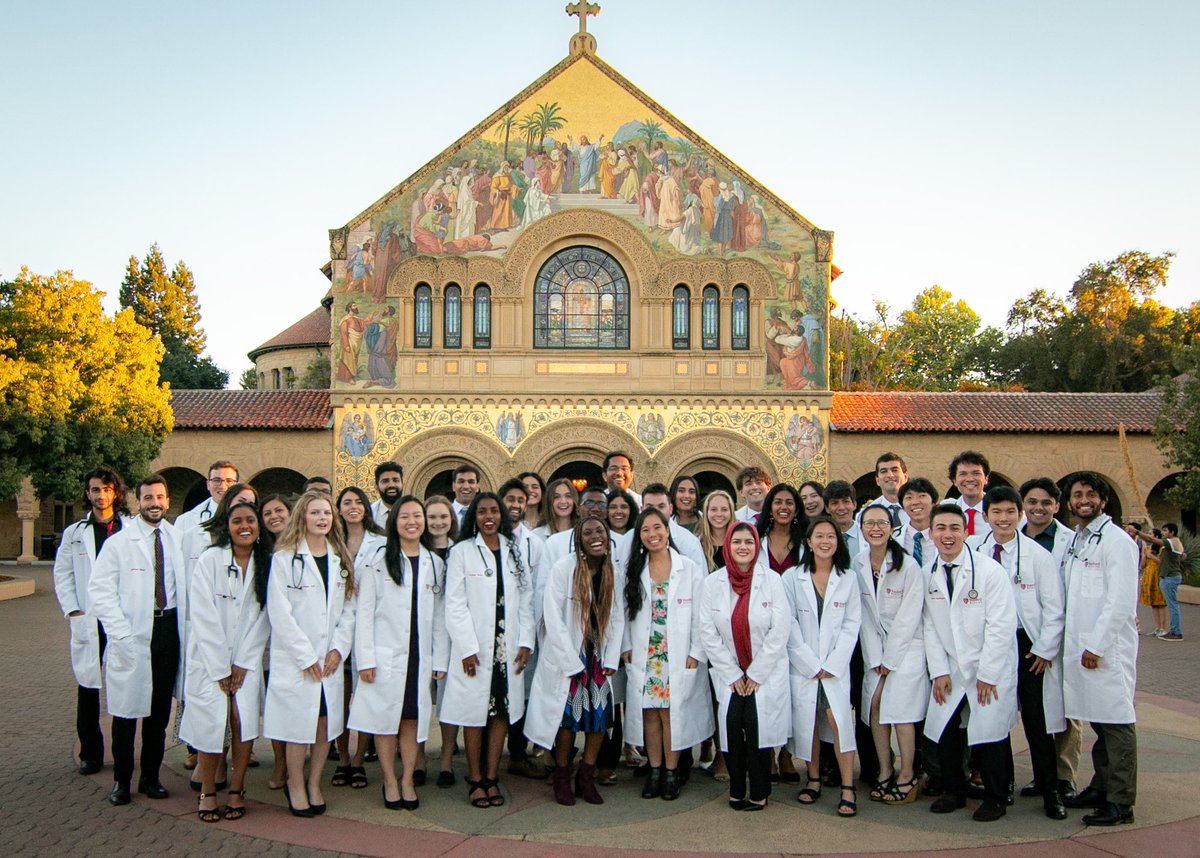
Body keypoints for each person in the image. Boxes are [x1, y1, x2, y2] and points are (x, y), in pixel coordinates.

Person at [88, 474, 187, 806]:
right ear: (138, 501)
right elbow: (100, 592)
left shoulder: (178, 540)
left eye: (160, 497)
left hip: (167, 632)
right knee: (126, 714)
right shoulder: (119, 543)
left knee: (159, 712)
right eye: (148, 498)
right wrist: (122, 633)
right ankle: (121, 781)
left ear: (167, 501)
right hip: (131, 635)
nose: (154, 503)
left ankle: (151, 777)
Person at [969, 486, 1067, 820]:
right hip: (990, 645)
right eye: (996, 512)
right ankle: (1002, 785)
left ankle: (1050, 790)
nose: (1003, 518)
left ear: (1020, 514)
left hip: (1028, 648)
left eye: (1010, 511)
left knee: (1038, 721)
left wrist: (1044, 648)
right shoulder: (974, 550)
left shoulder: (1038, 556)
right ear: (985, 517)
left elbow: (1054, 609)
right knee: (993, 716)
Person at [263, 491, 357, 817]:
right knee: (296, 728)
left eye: (327, 513)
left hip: (328, 662)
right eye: (315, 512)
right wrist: (306, 656)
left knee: (323, 726)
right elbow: (280, 613)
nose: (322, 518)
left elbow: (349, 611)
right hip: (297, 662)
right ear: (302, 516)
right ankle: (295, 783)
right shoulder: (285, 558)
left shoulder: (339, 559)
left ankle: (315, 782)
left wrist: (337, 649)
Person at [347, 496, 445, 810]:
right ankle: (389, 780)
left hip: (419, 655)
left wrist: (440, 659)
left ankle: (406, 780)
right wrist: (366, 658)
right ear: (394, 522)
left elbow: (440, 618)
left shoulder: (434, 562)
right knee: (384, 719)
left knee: (411, 720)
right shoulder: (377, 559)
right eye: (405, 516)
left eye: (418, 516)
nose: (412, 522)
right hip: (384, 653)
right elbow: (363, 612)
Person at [921, 503, 1016, 822]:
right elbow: (931, 626)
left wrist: (988, 674)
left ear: (966, 532)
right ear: (931, 533)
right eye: (941, 529)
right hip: (951, 665)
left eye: (954, 528)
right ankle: (954, 790)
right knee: (947, 729)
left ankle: (995, 796)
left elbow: (1001, 626)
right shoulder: (929, 573)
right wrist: (940, 672)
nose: (947, 535)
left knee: (990, 733)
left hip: (989, 666)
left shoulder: (989, 571)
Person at [178, 500, 272, 822]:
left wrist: (243, 663)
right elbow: (202, 616)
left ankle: (236, 788)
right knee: (210, 723)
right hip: (209, 660)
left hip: (246, 661)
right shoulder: (209, 561)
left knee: (242, 721)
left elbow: (264, 618)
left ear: (259, 526)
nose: (244, 526)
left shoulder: (267, 563)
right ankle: (207, 790)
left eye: (250, 520)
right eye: (237, 521)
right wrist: (220, 666)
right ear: (227, 526)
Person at [439, 493, 535, 809]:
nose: (489, 516)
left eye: (494, 510)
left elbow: (526, 600)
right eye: (482, 512)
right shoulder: (461, 552)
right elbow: (454, 604)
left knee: (501, 712)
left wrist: (525, 642)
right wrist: (466, 648)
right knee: (473, 714)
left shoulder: (513, 550)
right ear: (474, 518)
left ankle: (492, 776)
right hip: (477, 649)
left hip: (507, 647)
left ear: (502, 515)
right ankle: (476, 778)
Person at [526, 518, 626, 805]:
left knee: (599, 720)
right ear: (579, 540)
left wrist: (610, 656)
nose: (595, 537)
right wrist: (570, 661)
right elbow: (553, 617)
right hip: (569, 655)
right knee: (567, 720)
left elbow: (617, 617)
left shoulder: (613, 571)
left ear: (608, 538)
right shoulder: (564, 569)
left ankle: (586, 775)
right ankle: (562, 775)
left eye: (600, 532)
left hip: (598, 657)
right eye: (588, 532)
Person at [1059, 472, 1139, 826]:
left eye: (1091, 494)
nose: (1084, 500)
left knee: (1117, 722)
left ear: (1103, 501)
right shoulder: (1079, 539)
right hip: (1083, 647)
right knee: (1101, 722)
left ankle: (1121, 802)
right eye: (1077, 495)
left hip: (1106, 650)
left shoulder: (1116, 541)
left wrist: (1096, 645)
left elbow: (1120, 601)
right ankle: (1101, 785)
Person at [700, 522, 791, 811]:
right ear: (727, 546)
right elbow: (707, 631)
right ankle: (737, 789)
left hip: (762, 672)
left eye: (749, 542)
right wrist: (731, 672)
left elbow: (780, 630)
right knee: (731, 728)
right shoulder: (713, 583)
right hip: (731, 673)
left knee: (758, 730)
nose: (743, 547)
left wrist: (755, 673)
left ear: (756, 547)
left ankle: (760, 791)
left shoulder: (772, 581)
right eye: (737, 541)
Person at [623, 509, 713, 801]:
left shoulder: (688, 568)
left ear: (667, 530)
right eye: (646, 530)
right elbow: (623, 615)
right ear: (639, 536)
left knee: (673, 716)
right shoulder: (635, 570)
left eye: (657, 528)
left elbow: (702, 615)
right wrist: (626, 647)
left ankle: (672, 774)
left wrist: (696, 652)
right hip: (646, 654)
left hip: (678, 654)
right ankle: (655, 770)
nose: (653, 534)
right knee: (650, 714)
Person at [783, 516, 862, 817]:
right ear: (808, 541)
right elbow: (788, 623)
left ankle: (847, 787)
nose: (825, 541)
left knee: (840, 723)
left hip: (834, 667)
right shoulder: (792, 578)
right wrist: (808, 662)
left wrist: (833, 663)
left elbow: (851, 624)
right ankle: (813, 780)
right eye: (819, 536)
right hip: (805, 667)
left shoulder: (849, 578)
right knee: (809, 724)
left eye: (831, 536)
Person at [53, 466, 130, 776]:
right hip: (89, 617)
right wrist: (73, 610)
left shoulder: (129, 529)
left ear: (116, 493)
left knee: (124, 684)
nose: (101, 495)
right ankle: (91, 753)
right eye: (95, 489)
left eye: (107, 489)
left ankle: (123, 752)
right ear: (88, 493)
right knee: (88, 687)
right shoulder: (75, 533)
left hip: (120, 618)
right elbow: (63, 573)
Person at [854, 504, 927, 806]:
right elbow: (863, 617)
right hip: (875, 650)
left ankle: (908, 774)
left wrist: (890, 660)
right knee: (874, 708)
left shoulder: (908, 565)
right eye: (869, 523)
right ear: (861, 529)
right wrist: (876, 659)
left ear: (892, 527)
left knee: (900, 712)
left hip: (907, 648)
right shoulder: (858, 563)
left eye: (881, 523)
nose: (875, 528)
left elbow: (910, 617)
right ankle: (885, 769)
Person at [1019, 476, 1080, 800]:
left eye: (1045, 503)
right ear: (1022, 506)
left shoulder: (1070, 542)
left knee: (1066, 708)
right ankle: (1043, 775)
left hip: (1065, 633)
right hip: (1031, 636)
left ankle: (1065, 776)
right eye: (1032, 502)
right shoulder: (1014, 542)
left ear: (1057, 506)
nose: (1038, 508)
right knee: (1036, 710)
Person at [334, 486, 387, 789]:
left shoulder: (381, 543)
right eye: (346, 503)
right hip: (337, 626)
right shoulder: (330, 541)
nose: (353, 507)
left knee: (365, 695)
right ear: (338, 509)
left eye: (358, 502)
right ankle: (342, 757)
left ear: (367, 508)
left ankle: (359, 760)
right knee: (339, 696)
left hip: (370, 626)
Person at [498, 478, 549, 781]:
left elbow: (538, 594)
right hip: (492, 629)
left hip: (523, 633)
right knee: (493, 695)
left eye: (521, 500)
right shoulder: (487, 538)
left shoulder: (535, 544)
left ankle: (517, 754)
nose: (515, 505)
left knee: (522, 695)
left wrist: (530, 638)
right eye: (510, 499)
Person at [423, 494, 459, 788]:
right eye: (432, 517)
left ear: (452, 520)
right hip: (421, 632)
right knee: (420, 700)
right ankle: (419, 758)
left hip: (453, 634)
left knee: (449, 700)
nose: (437, 523)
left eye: (443, 517)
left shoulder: (461, 551)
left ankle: (447, 760)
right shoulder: (417, 551)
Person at [256, 493, 292, 790]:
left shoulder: (302, 548)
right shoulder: (259, 550)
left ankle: (296, 758)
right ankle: (281, 762)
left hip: (296, 634)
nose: (274, 517)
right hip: (265, 635)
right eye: (267, 513)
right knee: (275, 700)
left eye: (279, 510)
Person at [632, 484, 709, 573]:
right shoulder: (631, 538)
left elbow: (700, 580)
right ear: (641, 510)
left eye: (661, 506)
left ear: (670, 509)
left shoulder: (689, 541)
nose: (655, 512)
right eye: (650, 507)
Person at [1146, 523, 1188, 641]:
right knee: (1172, 605)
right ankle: (1174, 630)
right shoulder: (1174, 544)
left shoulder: (1172, 542)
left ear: (1172, 532)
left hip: (1170, 577)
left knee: (1172, 605)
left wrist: (1138, 533)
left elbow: (1151, 539)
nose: (1163, 533)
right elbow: (1182, 556)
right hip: (1167, 577)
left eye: (1165, 530)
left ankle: (1176, 632)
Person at [174, 461, 239, 534]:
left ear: (237, 485)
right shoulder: (185, 521)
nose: (222, 486)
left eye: (229, 481)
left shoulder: (251, 518)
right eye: (217, 480)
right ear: (208, 484)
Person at [756, 484, 805, 576]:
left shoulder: (806, 541)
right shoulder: (757, 539)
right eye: (778, 502)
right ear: (770, 509)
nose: (783, 507)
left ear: (797, 511)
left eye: (789, 503)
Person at [948, 451, 991, 538]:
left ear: (986, 478)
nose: (970, 479)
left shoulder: (998, 510)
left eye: (976, 473)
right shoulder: (946, 509)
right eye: (963, 474)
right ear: (954, 481)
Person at [1133, 526, 1167, 636]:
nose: (1149, 535)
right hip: (1149, 575)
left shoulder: (1162, 549)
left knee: (1160, 603)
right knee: (1154, 604)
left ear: (1156, 537)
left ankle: (1163, 627)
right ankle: (1157, 627)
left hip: (1158, 575)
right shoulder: (1147, 548)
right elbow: (1142, 565)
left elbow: (1161, 562)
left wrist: (1151, 556)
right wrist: (1144, 555)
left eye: (1151, 534)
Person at [897, 478, 938, 564]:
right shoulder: (893, 537)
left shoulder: (943, 536)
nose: (915, 502)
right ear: (903, 507)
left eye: (922, 496)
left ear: (933, 503)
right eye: (909, 497)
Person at [864, 454, 909, 528]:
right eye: (884, 471)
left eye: (895, 470)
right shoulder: (867, 512)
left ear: (905, 477)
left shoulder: (918, 508)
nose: (890, 475)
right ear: (877, 480)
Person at [698, 490, 736, 572]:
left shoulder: (738, 544)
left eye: (724, 509)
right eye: (714, 509)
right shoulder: (697, 544)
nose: (719, 514)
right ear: (706, 512)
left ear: (731, 512)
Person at [823, 481, 862, 559]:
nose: (841, 507)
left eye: (846, 502)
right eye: (835, 503)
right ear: (827, 508)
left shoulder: (867, 535)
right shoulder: (821, 538)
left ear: (854, 504)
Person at [371, 462, 404, 528]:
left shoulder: (414, 511)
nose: (391, 485)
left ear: (403, 485)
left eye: (396, 480)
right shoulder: (369, 514)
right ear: (376, 487)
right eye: (385, 481)